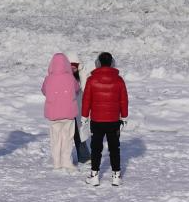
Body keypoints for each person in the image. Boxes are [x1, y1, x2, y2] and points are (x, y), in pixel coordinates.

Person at [81, 51, 128, 187]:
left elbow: (86, 100)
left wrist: (84, 116)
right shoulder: (119, 80)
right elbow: (124, 100)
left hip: (97, 120)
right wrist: (124, 116)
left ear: (98, 63)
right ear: (112, 63)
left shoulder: (91, 80)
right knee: (114, 148)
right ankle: (116, 177)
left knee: (96, 148)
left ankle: (94, 176)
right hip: (113, 121)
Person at [41, 53, 81, 171]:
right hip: (68, 113)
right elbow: (77, 89)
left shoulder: (48, 79)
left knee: (55, 139)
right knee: (67, 138)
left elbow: (44, 91)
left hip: (53, 114)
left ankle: (57, 162)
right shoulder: (70, 78)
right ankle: (66, 162)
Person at [66, 53, 90, 164]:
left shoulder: (82, 75)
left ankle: (84, 156)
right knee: (67, 135)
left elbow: (85, 88)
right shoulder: (64, 76)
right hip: (67, 110)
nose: (73, 69)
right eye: (71, 66)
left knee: (79, 133)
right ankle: (65, 158)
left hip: (78, 109)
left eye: (75, 66)